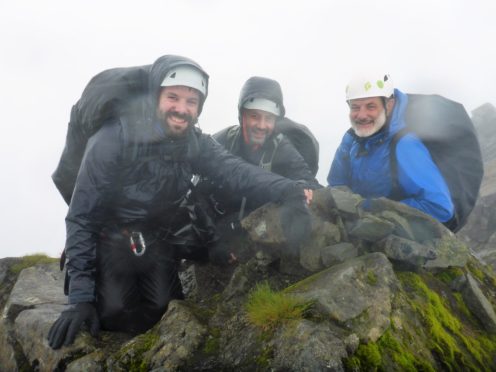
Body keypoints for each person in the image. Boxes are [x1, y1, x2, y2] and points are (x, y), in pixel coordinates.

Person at [47, 55, 311, 349]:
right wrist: (80, 299)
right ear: (156, 96)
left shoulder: (193, 143)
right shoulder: (115, 136)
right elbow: (82, 215)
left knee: (163, 310)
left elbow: (236, 171)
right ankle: (93, 284)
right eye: (173, 97)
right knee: (115, 314)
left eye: (191, 102)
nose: (181, 109)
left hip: (156, 237)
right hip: (109, 237)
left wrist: (289, 190)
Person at [327, 73, 454, 224]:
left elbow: (440, 207)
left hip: (399, 238)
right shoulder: (351, 139)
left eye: (371, 106)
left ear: (389, 105)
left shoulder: (404, 145)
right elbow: (336, 185)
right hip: (359, 230)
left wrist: (379, 208)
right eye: (355, 107)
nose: (361, 115)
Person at [204, 76, 320, 218]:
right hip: (219, 222)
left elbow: (308, 179)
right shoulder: (223, 140)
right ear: (242, 116)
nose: (261, 125)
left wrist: (301, 187)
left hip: (259, 227)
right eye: (255, 116)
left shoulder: (281, 148)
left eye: (269, 118)